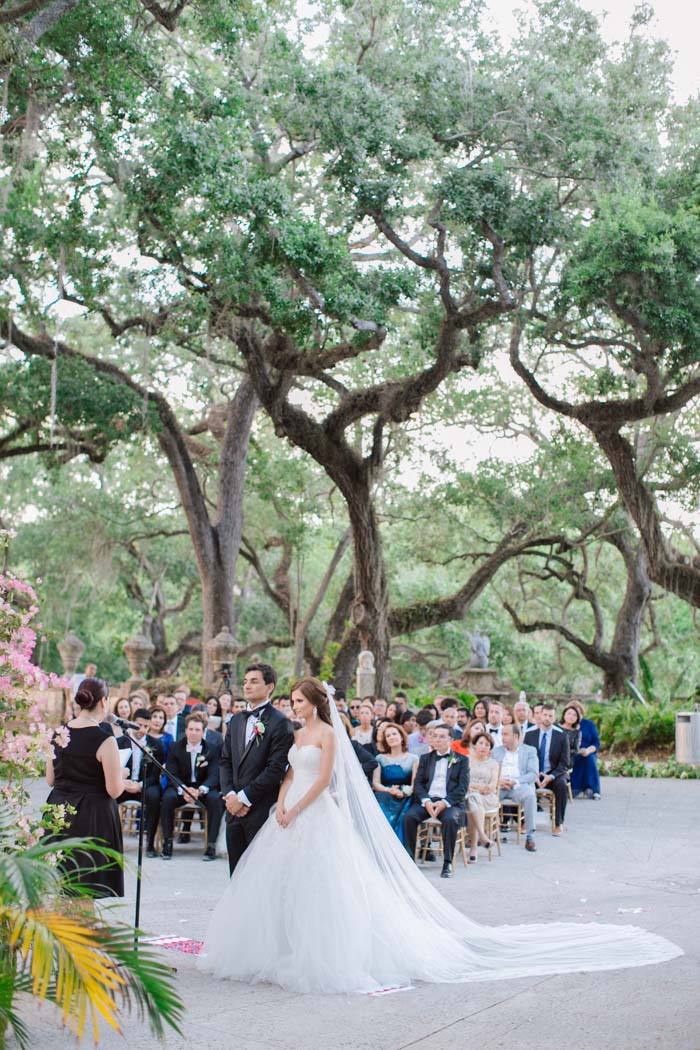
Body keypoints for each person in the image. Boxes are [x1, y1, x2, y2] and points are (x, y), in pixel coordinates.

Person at [197, 678, 680, 993]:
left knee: (323, 885)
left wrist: (299, 806)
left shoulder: (325, 735)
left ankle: (315, 953)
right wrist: (282, 805)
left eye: (299, 701)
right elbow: (285, 772)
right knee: (279, 885)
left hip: (314, 812)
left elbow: (325, 780)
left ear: (313, 703)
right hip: (287, 814)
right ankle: (278, 947)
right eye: (292, 703)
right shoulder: (294, 734)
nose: (293, 707)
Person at [45, 677, 125, 897]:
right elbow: (115, 790)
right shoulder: (105, 739)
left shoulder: (58, 733)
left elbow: (50, 779)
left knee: (61, 888)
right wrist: (123, 776)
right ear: (103, 702)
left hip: (58, 813)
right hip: (91, 818)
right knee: (84, 892)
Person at [219, 662, 295, 874]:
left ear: (269, 686)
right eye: (245, 682)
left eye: (254, 681)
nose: (247, 686)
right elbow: (225, 761)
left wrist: (244, 798)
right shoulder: (235, 720)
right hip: (233, 809)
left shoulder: (281, 723)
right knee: (236, 871)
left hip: (260, 809)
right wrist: (231, 795)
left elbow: (276, 769)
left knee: (259, 874)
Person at [403, 724, 469, 879]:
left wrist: (444, 802)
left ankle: (447, 862)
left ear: (451, 739)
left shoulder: (462, 760)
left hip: (449, 802)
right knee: (409, 817)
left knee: (450, 819)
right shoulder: (425, 758)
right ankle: (410, 860)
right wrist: (426, 801)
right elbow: (418, 783)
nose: (437, 739)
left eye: (442, 736)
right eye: (435, 736)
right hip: (427, 801)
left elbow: (462, 788)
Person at [160, 712, 224, 861]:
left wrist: (201, 790)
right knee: (167, 798)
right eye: (191, 729)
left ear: (203, 732)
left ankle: (211, 845)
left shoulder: (212, 749)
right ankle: (168, 842)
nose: (193, 733)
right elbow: (171, 773)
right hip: (181, 788)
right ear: (186, 730)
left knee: (216, 800)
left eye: (197, 730)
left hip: (202, 789)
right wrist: (184, 789)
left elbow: (215, 775)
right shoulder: (175, 747)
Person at [123, 708, 166, 858]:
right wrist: (125, 783)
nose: (142, 730)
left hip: (145, 785)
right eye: (138, 725)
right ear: (131, 723)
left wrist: (140, 785)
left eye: (146, 726)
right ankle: (111, 842)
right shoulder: (120, 742)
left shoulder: (156, 744)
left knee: (155, 796)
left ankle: (150, 845)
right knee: (108, 795)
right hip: (124, 785)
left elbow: (155, 775)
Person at [524, 703, 570, 835]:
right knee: (524, 783)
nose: (547, 718)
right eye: (545, 715)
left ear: (554, 718)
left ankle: (558, 823)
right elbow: (524, 759)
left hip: (554, 774)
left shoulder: (561, 736)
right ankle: (524, 822)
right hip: (534, 772)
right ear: (539, 715)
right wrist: (534, 774)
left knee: (562, 785)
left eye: (551, 716)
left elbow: (564, 763)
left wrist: (551, 776)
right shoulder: (530, 736)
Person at [493, 723, 538, 852]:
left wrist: (515, 781)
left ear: (516, 736)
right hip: (499, 786)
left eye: (505, 734)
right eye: (502, 734)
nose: (502, 737)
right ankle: (482, 834)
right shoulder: (496, 751)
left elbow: (533, 774)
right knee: (482, 796)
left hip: (519, 786)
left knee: (530, 795)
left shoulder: (529, 751)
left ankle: (530, 836)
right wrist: (499, 781)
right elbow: (490, 771)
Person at [372, 722, 418, 842]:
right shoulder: (380, 759)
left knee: (406, 816)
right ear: (385, 741)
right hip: (385, 794)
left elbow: (415, 784)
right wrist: (389, 790)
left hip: (405, 796)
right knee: (379, 807)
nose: (391, 737)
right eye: (388, 736)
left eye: (394, 734)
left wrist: (404, 792)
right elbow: (376, 783)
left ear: (402, 736)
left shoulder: (413, 758)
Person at [465, 732, 499, 863]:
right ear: (474, 745)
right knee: (472, 800)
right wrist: (478, 787)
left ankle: (474, 847)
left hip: (487, 798)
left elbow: (491, 786)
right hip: (469, 797)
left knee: (473, 801)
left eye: (487, 745)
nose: (484, 747)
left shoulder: (493, 763)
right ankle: (483, 837)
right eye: (481, 743)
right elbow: (463, 783)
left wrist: (474, 787)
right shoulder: (466, 760)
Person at [569, 700, 602, 799]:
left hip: (588, 751)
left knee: (589, 758)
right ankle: (575, 789)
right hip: (572, 752)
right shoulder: (567, 725)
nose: (575, 716)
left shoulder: (589, 725)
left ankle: (594, 790)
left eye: (577, 713)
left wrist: (588, 750)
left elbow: (596, 743)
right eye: (572, 713)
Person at [559, 704, 582, 776]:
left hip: (567, 760)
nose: (571, 716)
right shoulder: (555, 728)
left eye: (574, 715)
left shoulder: (576, 732)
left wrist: (565, 751)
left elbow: (576, 750)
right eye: (569, 713)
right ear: (564, 715)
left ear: (577, 719)